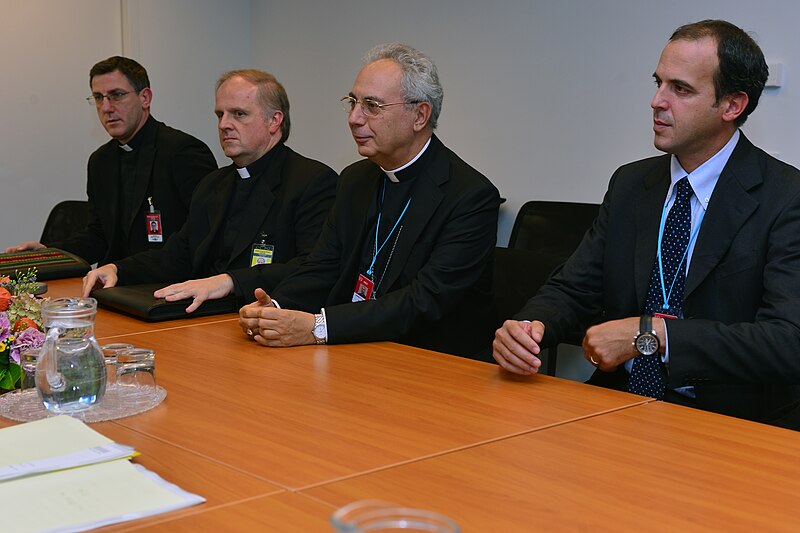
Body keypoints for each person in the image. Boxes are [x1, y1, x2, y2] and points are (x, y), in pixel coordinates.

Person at [493, 19, 800, 428]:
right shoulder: (631, 184)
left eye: (681, 89)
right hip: (618, 402)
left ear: (732, 105)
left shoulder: (785, 197)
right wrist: (530, 328)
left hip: (726, 420)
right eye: (658, 83)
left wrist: (653, 336)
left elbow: (787, 341)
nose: (657, 100)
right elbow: (574, 286)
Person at [238, 43, 501, 360]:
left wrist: (317, 327)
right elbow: (323, 265)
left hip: (430, 360)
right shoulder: (355, 179)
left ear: (419, 115)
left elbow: (424, 301)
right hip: (356, 346)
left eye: (372, 106)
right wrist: (274, 309)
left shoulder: (469, 196)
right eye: (352, 102)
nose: (354, 118)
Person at [82, 69, 338, 312]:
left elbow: (312, 268)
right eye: (220, 115)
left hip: (269, 320)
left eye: (238, 114)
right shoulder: (214, 184)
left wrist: (229, 281)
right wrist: (118, 269)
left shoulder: (312, 181)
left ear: (274, 121)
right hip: (207, 320)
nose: (224, 124)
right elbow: (178, 254)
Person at [5, 56, 217, 265]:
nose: (106, 107)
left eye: (116, 95)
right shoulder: (100, 161)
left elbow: (203, 237)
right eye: (98, 97)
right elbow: (99, 238)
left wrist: (123, 270)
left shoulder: (183, 152)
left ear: (145, 98)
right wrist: (49, 254)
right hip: (116, 283)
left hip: (169, 285)